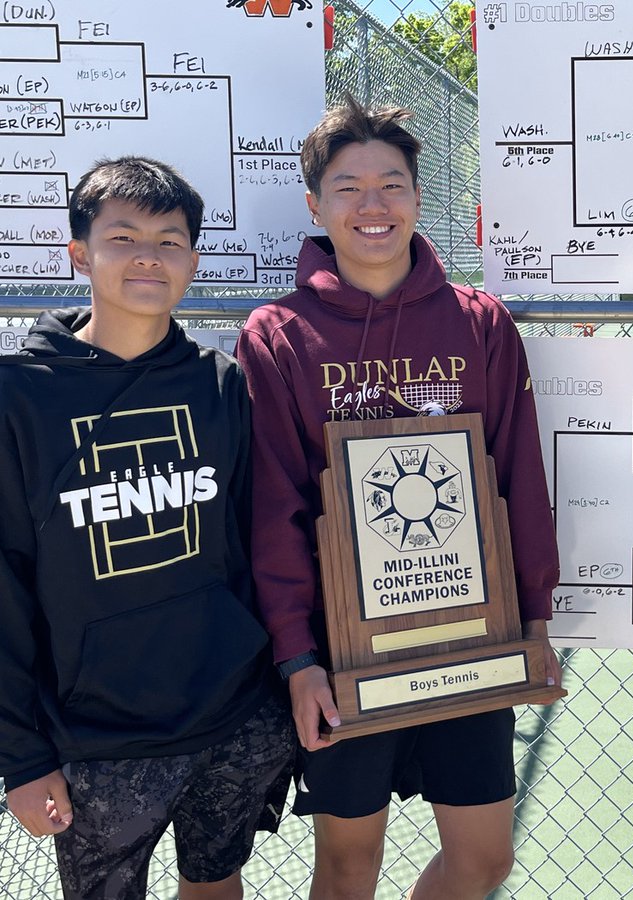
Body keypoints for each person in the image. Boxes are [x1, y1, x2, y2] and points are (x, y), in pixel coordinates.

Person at [236, 96, 561, 899]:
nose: (372, 205)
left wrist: (536, 621)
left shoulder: (479, 324)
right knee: (349, 868)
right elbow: (272, 505)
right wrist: (297, 657)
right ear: (316, 205)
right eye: (348, 187)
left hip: (468, 635)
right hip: (342, 651)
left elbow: (519, 475)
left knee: (485, 858)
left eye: (392, 184)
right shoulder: (278, 334)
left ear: (419, 198)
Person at [0, 156, 293, 899]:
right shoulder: (18, 398)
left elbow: (255, 545)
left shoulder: (221, 384)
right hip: (98, 738)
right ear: (79, 253)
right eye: (123, 237)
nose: (147, 257)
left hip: (231, 712)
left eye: (169, 241)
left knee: (215, 883)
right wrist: (21, 757)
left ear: (193, 260)